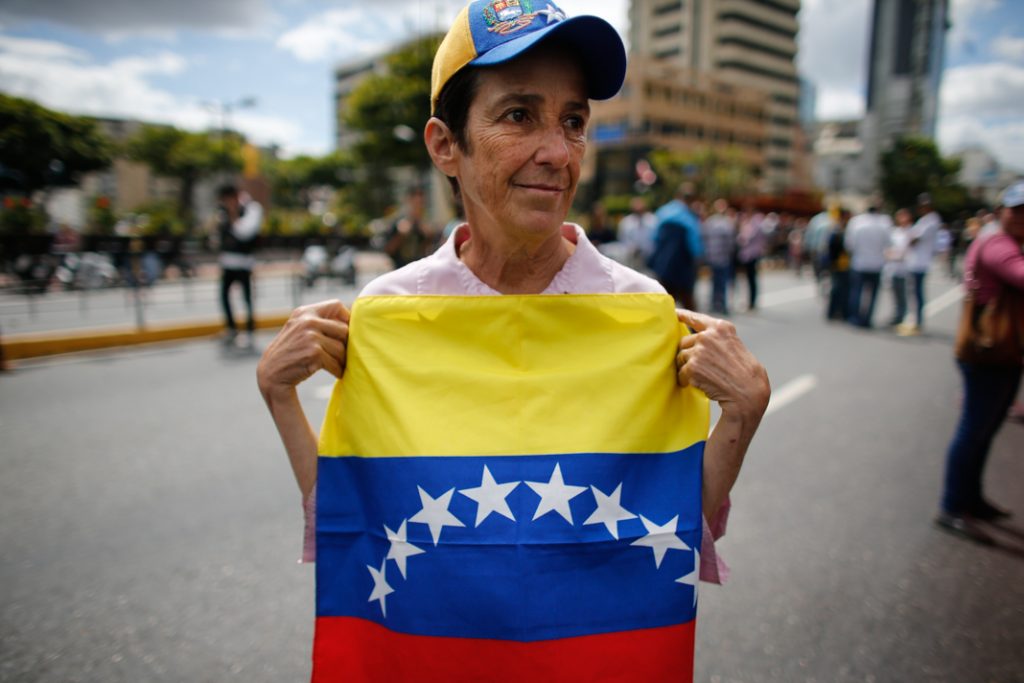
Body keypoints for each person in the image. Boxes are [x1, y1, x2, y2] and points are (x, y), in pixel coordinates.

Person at [256, 2, 768, 676]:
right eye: (519, 115)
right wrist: (280, 397)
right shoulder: (392, 313)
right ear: (445, 144)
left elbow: (669, 531)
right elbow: (361, 521)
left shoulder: (640, 312)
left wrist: (744, 411)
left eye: (573, 121)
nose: (556, 153)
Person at [935, 181, 1024, 544]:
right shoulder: (999, 244)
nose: (1021, 217)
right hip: (989, 350)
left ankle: (971, 498)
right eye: (1016, 210)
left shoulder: (1004, 241)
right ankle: (952, 505)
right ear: (1002, 211)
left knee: (984, 429)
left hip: (1004, 351)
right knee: (974, 429)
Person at [216, 184, 262, 349]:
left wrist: (233, 213)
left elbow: (244, 233)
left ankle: (249, 331)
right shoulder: (223, 211)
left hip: (244, 262)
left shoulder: (252, 208)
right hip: (227, 262)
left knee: (247, 298)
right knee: (224, 296)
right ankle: (232, 328)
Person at [650, 185, 704, 310]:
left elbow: (654, 239)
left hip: (663, 266)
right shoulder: (689, 216)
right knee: (689, 304)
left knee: (665, 303)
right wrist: (699, 261)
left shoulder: (662, 212)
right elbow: (695, 245)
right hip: (683, 267)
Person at [898, 193, 941, 336]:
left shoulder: (931, 220)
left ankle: (917, 322)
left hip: (919, 263)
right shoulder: (927, 220)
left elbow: (914, 239)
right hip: (917, 261)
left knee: (916, 294)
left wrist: (910, 237)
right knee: (915, 293)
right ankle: (916, 320)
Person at [844, 204, 892, 328]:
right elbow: (888, 243)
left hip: (859, 263)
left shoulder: (856, 222)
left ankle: (855, 317)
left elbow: (849, 244)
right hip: (877, 264)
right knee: (872, 295)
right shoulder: (884, 223)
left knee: (856, 292)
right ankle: (867, 319)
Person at [701, 199, 737, 315]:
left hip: (719, 257)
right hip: (718, 258)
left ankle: (719, 304)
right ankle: (717, 304)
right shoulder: (722, 222)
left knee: (719, 282)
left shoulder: (717, 222)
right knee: (718, 282)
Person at [383, 185, 431, 269]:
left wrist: (428, 236)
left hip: (419, 270)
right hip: (400, 269)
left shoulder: (426, 224)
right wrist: (400, 235)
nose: (418, 204)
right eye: (416, 201)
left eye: (421, 202)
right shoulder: (398, 222)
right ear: (409, 200)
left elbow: (428, 252)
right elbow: (388, 250)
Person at [884, 208, 913, 327]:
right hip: (893, 268)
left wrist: (894, 255)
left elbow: (905, 251)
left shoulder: (910, 231)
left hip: (904, 268)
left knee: (903, 294)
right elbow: (887, 249)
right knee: (895, 294)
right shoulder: (895, 232)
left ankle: (902, 316)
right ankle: (897, 315)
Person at [736, 208, 767, 311]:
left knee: (751, 279)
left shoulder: (755, 224)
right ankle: (750, 301)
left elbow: (746, 238)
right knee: (747, 279)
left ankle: (752, 302)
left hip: (752, 255)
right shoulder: (748, 224)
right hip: (747, 255)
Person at [617, 195, 657, 272]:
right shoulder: (625, 222)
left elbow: (655, 240)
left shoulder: (653, 221)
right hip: (631, 260)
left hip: (649, 260)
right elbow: (622, 240)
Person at [826, 209, 851, 321]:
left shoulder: (847, 229)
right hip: (839, 264)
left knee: (844, 290)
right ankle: (834, 312)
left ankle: (842, 311)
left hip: (845, 264)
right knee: (837, 289)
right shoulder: (837, 230)